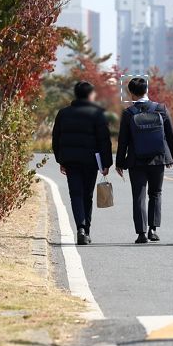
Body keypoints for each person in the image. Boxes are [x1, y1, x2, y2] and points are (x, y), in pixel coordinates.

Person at [116, 77, 173, 244]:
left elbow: (123, 141)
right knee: (156, 194)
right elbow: (170, 135)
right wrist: (170, 156)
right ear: (146, 90)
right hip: (158, 159)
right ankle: (153, 229)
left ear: (131, 93)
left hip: (136, 161)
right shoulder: (160, 109)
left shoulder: (128, 113)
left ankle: (141, 233)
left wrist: (120, 162)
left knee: (139, 196)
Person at [52, 81, 112, 246]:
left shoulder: (63, 113)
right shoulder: (98, 114)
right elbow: (104, 140)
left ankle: (80, 228)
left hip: (71, 161)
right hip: (91, 161)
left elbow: (56, 138)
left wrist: (60, 160)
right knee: (87, 195)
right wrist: (106, 163)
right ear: (90, 94)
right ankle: (87, 229)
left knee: (75, 194)